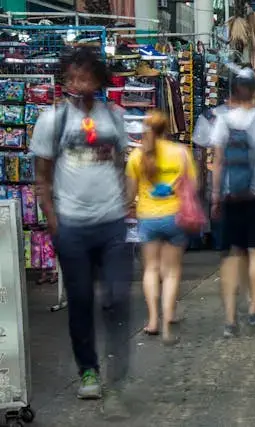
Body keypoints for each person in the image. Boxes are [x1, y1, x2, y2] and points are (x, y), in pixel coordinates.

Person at [31, 47, 132, 417]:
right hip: (71, 225)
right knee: (80, 301)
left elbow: (121, 163)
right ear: (65, 80)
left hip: (111, 223)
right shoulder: (51, 121)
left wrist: (123, 201)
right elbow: (41, 175)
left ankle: (119, 373)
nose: (79, 84)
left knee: (118, 297)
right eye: (72, 77)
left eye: (86, 76)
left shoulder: (114, 118)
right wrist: (52, 218)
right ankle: (88, 370)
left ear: (99, 79)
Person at [209, 67, 255, 338]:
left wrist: (215, 196)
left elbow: (217, 162)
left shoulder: (222, 120)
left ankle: (229, 318)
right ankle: (254, 309)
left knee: (231, 254)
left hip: (230, 195)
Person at [125, 111, 198, 345]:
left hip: (147, 217)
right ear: (168, 128)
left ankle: (153, 320)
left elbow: (129, 193)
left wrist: (129, 205)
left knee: (151, 270)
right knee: (172, 271)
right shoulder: (181, 153)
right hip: (175, 217)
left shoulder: (136, 155)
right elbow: (194, 186)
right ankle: (168, 321)